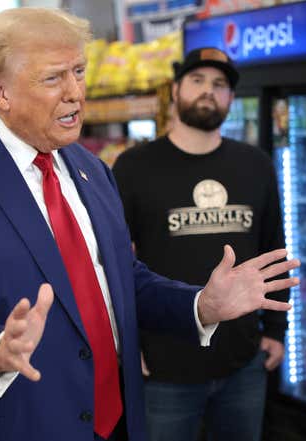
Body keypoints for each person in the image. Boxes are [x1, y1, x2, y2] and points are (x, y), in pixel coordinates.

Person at [0, 8, 300, 441]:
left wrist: (200, 306)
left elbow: (121, 279)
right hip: (10, 423)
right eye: (53, 78)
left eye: (79, 72)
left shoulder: (92, 170)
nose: (75, 93)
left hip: (114, 421)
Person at [112, 47, 289, 441]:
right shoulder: (134, 166)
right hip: (163, 366)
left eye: (219, 84)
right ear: (175, 91)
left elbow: (273, 248)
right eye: (197, 80)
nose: (208, 91)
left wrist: (277, 329)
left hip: (243, 360)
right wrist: (126, 343)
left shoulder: (255, 164)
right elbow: (115, 263)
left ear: (230, 98)